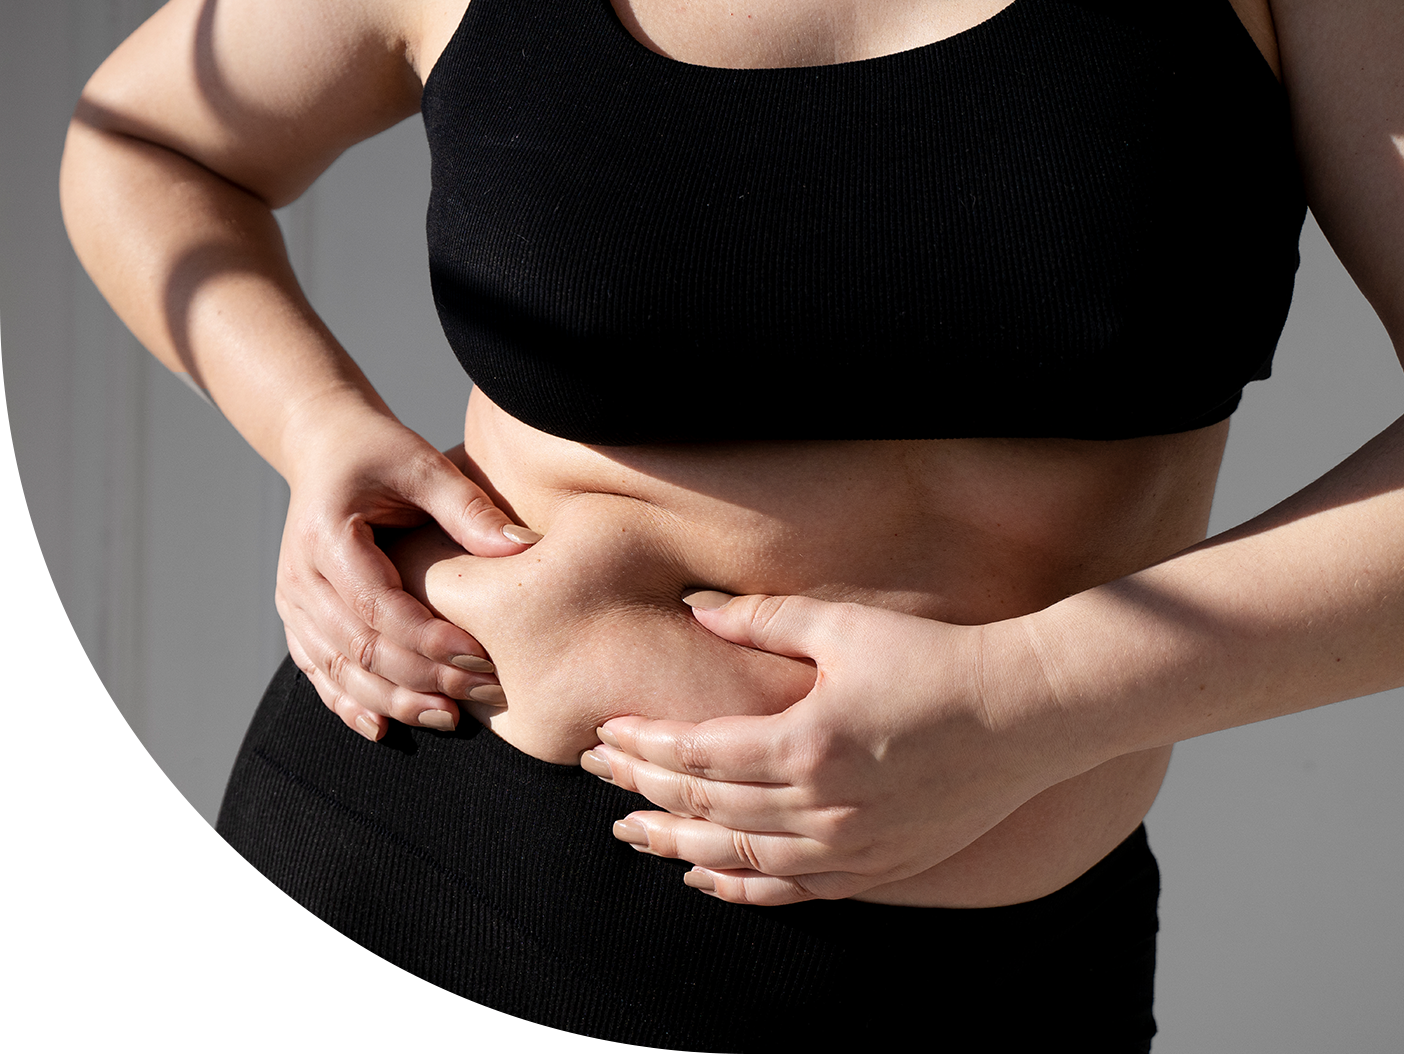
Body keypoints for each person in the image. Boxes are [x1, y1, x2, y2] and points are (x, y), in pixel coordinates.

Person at [58, 0, 1403, 1049]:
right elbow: (145, 143)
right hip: (421, 864)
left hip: (962, 976)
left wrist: (1032, 692)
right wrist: (314, 424)